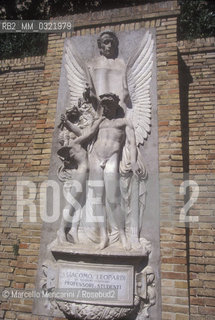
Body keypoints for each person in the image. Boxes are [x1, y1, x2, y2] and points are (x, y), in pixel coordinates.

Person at [87, 93, 140, 250]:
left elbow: (132, 143)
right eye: (103, 106)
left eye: (108, 106)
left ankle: (122, 234)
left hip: (112, 158)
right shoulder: (101, 121)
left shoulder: (124, 122)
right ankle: (104, 237)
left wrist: (134, 161)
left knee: (112, 199)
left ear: (115, 106)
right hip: (95, 157)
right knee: (97, 199)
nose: (104, 109)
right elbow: (88, 135)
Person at [57, 116, 104, 244]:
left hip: (88, 174)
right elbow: (90, 133)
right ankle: (61, 231)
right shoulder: (75, 144)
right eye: (70, 136)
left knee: (80, 204)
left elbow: (79, 131)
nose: (73, 136)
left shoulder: (74, 145)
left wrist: (67, 122)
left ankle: (73, 230)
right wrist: (100, 119)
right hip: (81, 173)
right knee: (72, 203)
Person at [87, 31, 130, 113]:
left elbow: (126, 90)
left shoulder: (122, 64)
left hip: (118, 110)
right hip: (98, 110)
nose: (109, 46)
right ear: (100, 45)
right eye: (106, 42)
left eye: (112, 43)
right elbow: (90, 89)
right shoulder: (91, 64)